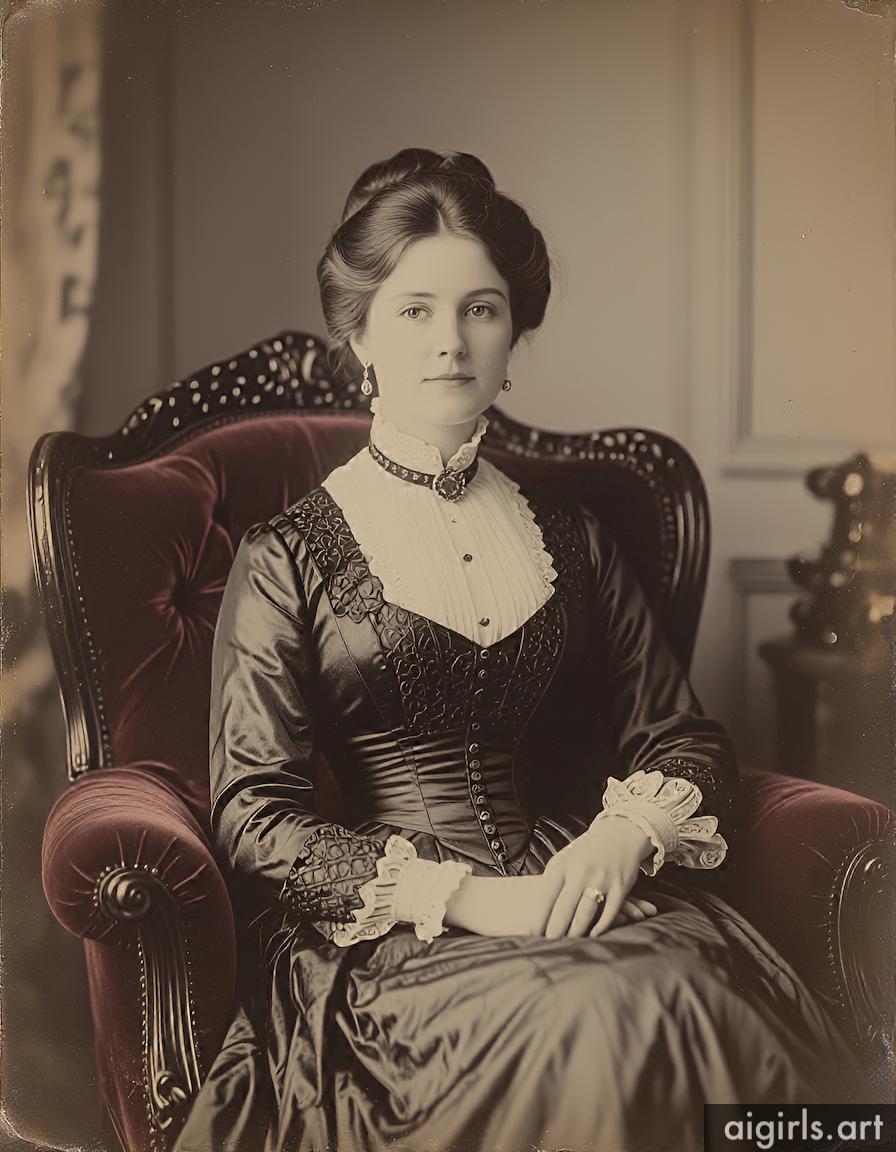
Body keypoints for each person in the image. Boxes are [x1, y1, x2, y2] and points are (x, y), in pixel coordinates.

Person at [174, 148, 857, 1152]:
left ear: (511, 335)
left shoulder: (574, 540)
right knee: (597, 1022)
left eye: (480, 310)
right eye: (415, 310)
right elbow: (254, 814)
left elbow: (681, 734)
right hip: (404, 939)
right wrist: (475, 899)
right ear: (359, 335)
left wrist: (623, 839)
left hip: (584, 890)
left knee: (690, 998)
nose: (450, 341)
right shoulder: (287, 556)